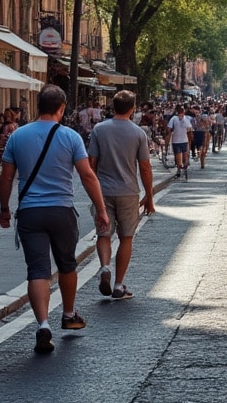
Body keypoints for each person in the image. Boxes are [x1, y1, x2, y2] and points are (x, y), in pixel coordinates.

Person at [0, 84, 108, 354]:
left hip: (30, 212)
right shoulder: (71, 137)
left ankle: (43, 324)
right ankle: (69, 314)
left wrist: (4, 209)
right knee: (67, 265)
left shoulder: (17, 136)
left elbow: (6, 178)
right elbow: (87, 176)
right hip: (61, 211)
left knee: (37, 269)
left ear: (38, 106)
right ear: (62, 108)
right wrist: (101, 209)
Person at [87, 90, 155, 301]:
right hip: (128, 191)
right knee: (126, 237)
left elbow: (91, 163)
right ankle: (118, 284)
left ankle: (104, 267)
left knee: (103, 233)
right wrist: (149, 196)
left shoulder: (99, 130)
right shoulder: (138, 133)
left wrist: (93, 189)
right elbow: (145, 167)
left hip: (103, 191)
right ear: (132, 109)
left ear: (113, 107)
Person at [167, 106, 193, 180]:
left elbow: (189, 129)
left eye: (182, 113)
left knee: (184, 157)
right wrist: (169, 132)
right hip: (176, 141)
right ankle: (179, 169)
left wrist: (190, 138)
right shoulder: (174, 119)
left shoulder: (186, 119)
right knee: (178, 156)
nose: (181, 115)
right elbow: (169, 128)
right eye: (179, 113)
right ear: (178, 113)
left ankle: (184, 168)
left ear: (184, 113)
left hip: (184, 140)